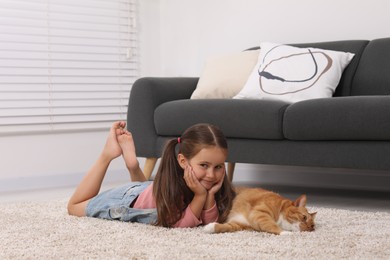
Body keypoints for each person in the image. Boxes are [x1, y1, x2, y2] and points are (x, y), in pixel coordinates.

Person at [67, 121, 235, 228]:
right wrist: (200, 196)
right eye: (204, 165)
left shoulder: (206, 183)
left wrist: (209, 196)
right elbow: (182, 225)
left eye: (219, 166)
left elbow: (210, 223)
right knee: (74, 207)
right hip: (127, 199)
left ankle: (133, 166)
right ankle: (107, 155)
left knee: (146, 192)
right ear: (183, 161)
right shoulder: (174, 189)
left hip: (148, 191)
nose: (212, 175)